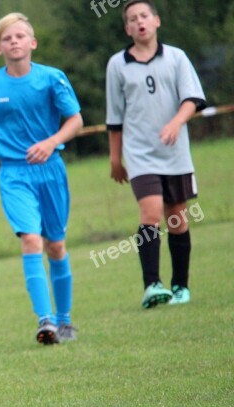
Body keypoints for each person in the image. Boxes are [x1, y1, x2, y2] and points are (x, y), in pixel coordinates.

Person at [0, 13, 84, 344]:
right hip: (14, 174)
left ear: (32, 43)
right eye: (7, 38)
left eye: (20, 36)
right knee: (31, 240)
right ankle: (45, 321)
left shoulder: (52, 78)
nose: (14, 42)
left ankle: (65, 321)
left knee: (56, 245)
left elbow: (75, 119)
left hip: (51, 171)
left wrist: (51, 142)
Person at [105, 0, 206, 309]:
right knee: (150, 213)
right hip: (140, 155)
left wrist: (176, 122)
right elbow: (115, 116)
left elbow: (192, 98)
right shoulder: (117, 64)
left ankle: (180, 286)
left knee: (176, 217)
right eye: (133, 19)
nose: (140, 22)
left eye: (144, 16)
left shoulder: (176, 58)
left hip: (175, 153)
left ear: (156, 21)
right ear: (127, 28)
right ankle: (152, 285)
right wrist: (115, 158)